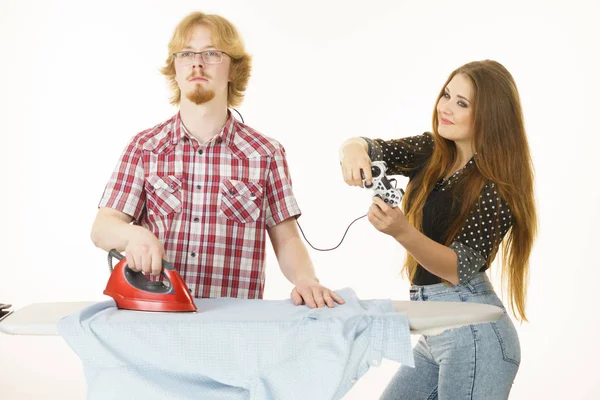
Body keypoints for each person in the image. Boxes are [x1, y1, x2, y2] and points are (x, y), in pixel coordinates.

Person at [90, 11, 343, 309]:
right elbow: (102, 228)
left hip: (234, 330)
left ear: (234, 69)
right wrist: (135, 235)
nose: (197, 63)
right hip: (155, 320)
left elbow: (286, 240)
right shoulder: (145, 148)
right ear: (175, 67)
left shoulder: (265, 153)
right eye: (186, 53)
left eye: (211, 53)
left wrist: (306, 280)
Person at [339, 60, 537, 399]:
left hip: (474, 331)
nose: (445, 107)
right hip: (436, 329)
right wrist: (353, 147)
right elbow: (377, 147)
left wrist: (402, 231)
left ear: (490, 115)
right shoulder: (432, 150)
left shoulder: (497, 185)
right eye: (447, 95)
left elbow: (458, 268)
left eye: (462, 103)